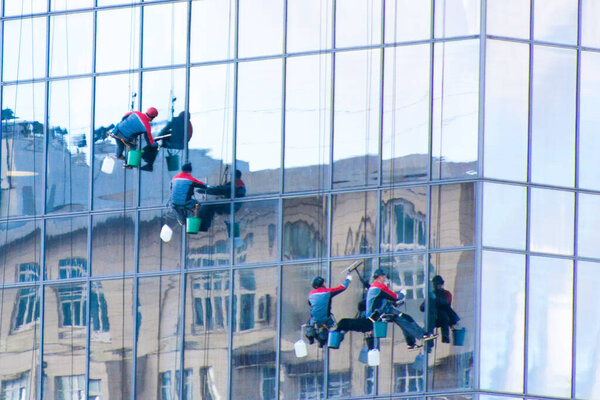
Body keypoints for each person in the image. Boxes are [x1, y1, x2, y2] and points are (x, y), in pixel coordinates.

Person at [366, 268, 431, 349]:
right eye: (383, 277)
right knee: (404, 319)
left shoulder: (374, 287)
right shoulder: (379, 286)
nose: (384, 279)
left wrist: (394, 303)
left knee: (404, 319)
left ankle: (411, 343)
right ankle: (423, 335)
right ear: (380, 277)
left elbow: (382, 301)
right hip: (379, 314)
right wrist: (402, 293)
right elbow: (395, 297)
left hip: (379, 312)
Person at [306, 275, 352, 347]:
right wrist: (348, 279)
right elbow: (342, 287)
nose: (325, 283)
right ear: (322, 283)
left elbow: (310, 303)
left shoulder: (310, 294)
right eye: (324, 282)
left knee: (310, 322)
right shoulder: (328, 291)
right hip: (326, 318)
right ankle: (323, 339)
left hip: (314, 319)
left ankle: (311, 337)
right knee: (331, 326)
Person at [420, 275, 460, 343]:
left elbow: (446, 303)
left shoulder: (446, 293)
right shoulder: (431, 295)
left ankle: (445, 336)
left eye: (438, 284)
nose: (437, 286)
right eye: (435, 284)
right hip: (433, 317)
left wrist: (435, 299)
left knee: (444, 316)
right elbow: (422, 307)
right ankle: (429, 340)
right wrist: (428, 303)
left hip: (442, 317)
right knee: (430, 324)